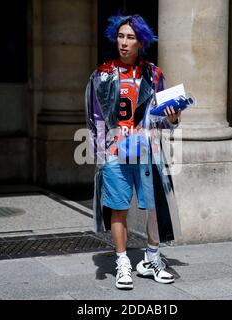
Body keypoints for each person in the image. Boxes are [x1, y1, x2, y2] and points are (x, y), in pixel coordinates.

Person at [85, 14, 181, 290]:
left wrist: (173, 118)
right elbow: (95, 118)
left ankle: (152, 259)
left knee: (152, 206)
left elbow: (164, 118)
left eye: (131, 37)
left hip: (147, 150)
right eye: (121, 36)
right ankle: (123, 262)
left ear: (142, 42)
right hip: (115, 151)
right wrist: (101, 153)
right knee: (118, 209)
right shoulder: (102, 74)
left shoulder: (154, 74)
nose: (124, 43)